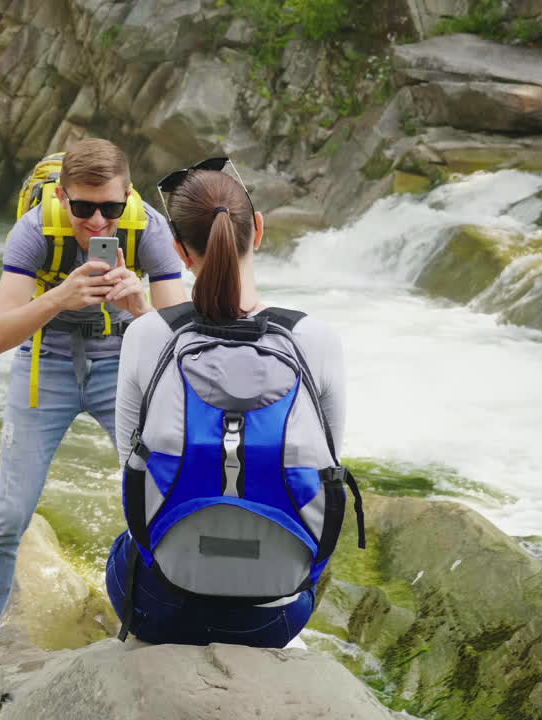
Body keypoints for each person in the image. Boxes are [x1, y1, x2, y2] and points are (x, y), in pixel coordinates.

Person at [105, 158, 350, 648]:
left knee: (123, 549)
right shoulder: (315, 339)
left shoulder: (148, 334)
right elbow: (328, 463)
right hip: (278, 615)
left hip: (161, 606)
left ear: (178, 251)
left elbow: (131, 465)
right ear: (257, 229)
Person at [0, 138, 187, 652]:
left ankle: (169, 617)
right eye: (83, 208)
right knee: (10, 513)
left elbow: (183, 347)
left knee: (161, 493)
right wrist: (61, 296)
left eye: (110, 207)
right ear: (62, 197)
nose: (99, 223)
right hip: (46, 366)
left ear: (128, 195)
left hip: (121, 365)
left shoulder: (148, 228)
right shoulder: (34, 229)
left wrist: (138, 305)